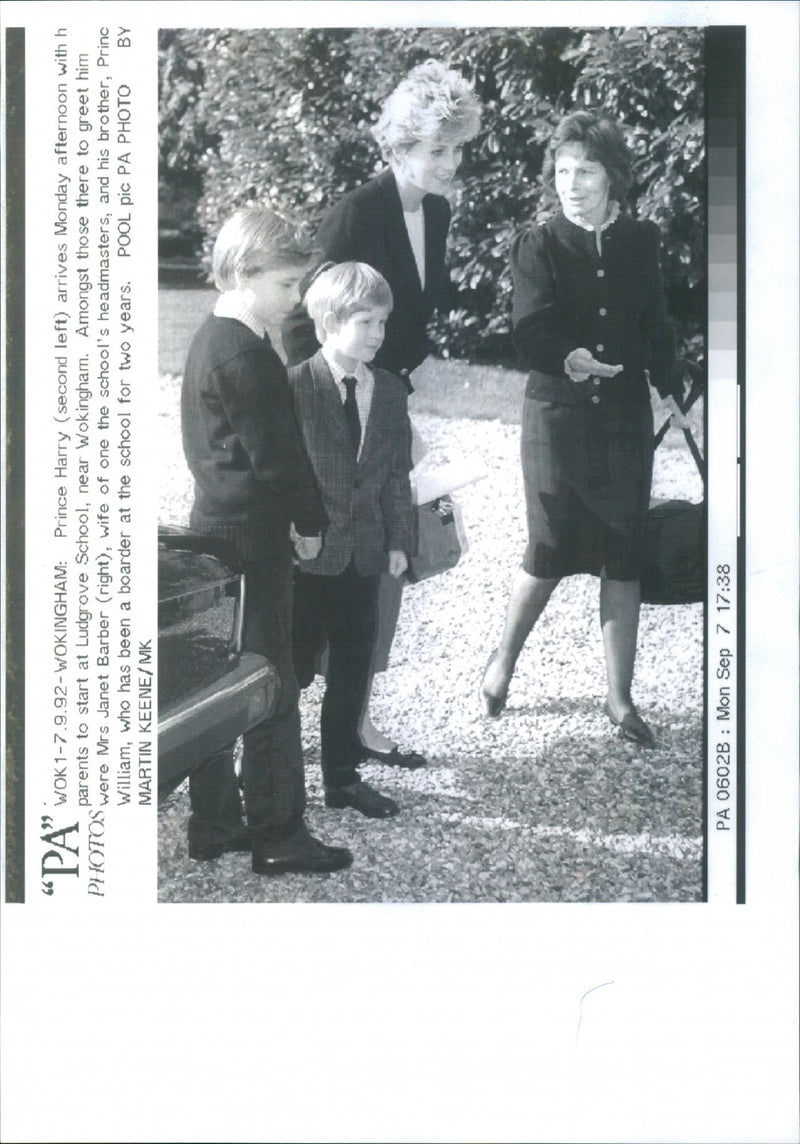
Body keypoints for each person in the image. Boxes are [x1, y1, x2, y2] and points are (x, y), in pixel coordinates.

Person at [283, 58, 482, 768]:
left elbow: (411, 323)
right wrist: (339, 401)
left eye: (458, 147)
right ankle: (284, 721)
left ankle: (354, 719)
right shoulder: (356, 213)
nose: (450, 162)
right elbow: (303, 324)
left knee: (396, 557)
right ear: (398, 146)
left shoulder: (437, 209)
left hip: (387, 402)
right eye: (436, 148)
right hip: (337, 409)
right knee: (330, 569)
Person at [480, 111, 688, 748]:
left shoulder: (640, 240)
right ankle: (502, 664)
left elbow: (656, 323)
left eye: (586, 171)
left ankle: (620, 698)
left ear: (612, 177)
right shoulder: (538, 243)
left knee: (623, 550)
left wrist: (671, 385)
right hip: (556, 418)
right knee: (549, 547)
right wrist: (567, 358)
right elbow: (530, 327)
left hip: (622, 418)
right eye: (563, 171)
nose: (572, 183)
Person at [181, 205, 352, 875]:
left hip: (217, 529)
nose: (297, 299)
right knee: (270, 682)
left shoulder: (213, 338)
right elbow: (279, 461)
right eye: (287, 285)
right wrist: (311, 525)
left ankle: (216, 821)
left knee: (223, 681)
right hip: (252, 537)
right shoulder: (245, 353)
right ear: (247, 274)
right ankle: (279, 833)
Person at [288, 262, 415, 818]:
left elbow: (393, 474)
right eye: (364, 321)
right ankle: (266, 768)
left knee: (352, 668)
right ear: (327, 323)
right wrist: (297, 530)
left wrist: (398, 539)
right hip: (308, 557)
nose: (377, 334)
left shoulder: (386, 390)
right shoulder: (296, 386)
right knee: (290, 668)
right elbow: (283, 470)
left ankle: (341, 777)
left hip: (363, 554)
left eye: (383, 322)